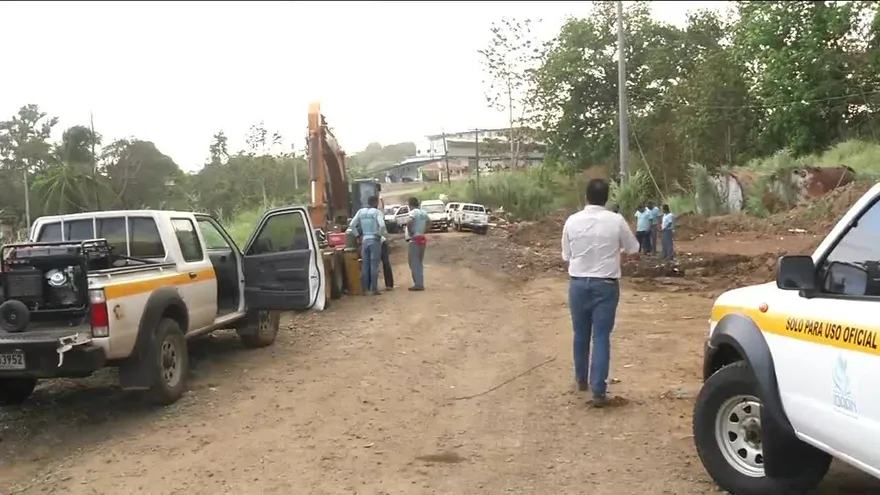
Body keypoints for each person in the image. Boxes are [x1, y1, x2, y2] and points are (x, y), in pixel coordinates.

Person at [562, 179, 640, 408]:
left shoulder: (572, 221)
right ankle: (598, 391)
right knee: (601, 336)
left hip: (578, 283)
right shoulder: (616, 221)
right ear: (607, 198)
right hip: (606, 284)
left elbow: (566, 255)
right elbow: (634, 248)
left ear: (586, 197)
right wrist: (618, 251)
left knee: (580, 334)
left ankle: (581, 379)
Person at [349, 196, 386, 295]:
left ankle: (365, 289)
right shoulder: (377, 212)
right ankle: (374, 289)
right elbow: (382, 225)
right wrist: (379, 235)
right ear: (375, 202)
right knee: (374, 265)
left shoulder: (361, 212)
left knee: (365, 265)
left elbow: (352, 225)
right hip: (374, 239)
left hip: (365, 239)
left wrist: (357, 236)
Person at [403, 196, 429, 291]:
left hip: (414, 239)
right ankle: (419, 282)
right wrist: (424, 230)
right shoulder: (423, 212)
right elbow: (429, 222)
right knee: (419, 262)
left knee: (414, 262)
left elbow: (410, 221)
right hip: (421, 237)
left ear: (410, 204)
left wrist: (410, 232)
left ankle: (418, 284)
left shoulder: (413, 212)